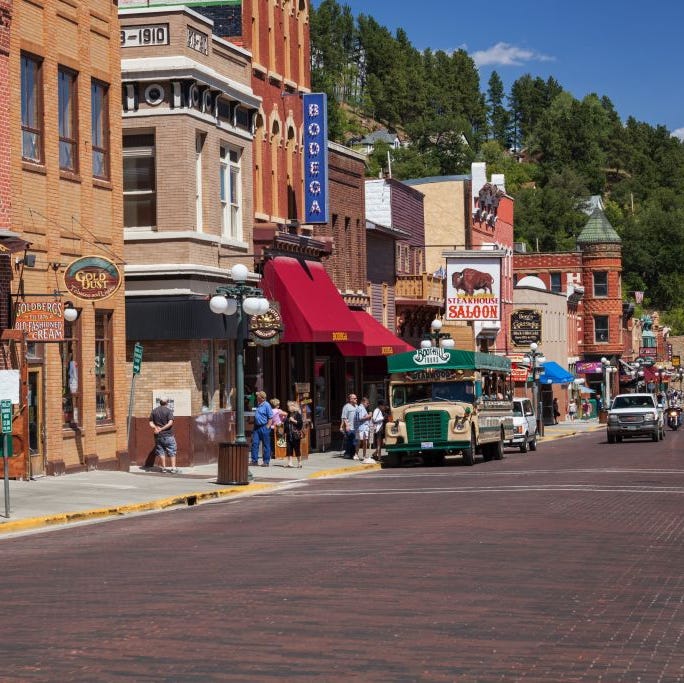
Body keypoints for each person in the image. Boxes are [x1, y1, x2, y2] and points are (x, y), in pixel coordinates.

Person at [149, 398, 179, 473]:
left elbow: (150, 422)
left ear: (160, 403)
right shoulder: (169, 411)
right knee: (172, 450)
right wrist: (162, 429)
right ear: (167, 403)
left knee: (161, 451)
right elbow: (170, 423)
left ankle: (164, 468)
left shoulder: (154, 411)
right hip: (168, 435)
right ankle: (173, 468)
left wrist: (156, 428)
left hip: (158, 436)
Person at [250, 391, 273, 466]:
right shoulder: (258, 404)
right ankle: (254, 460)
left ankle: (266, 461)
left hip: (264, 426)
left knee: (266, 445)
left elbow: (270, 417)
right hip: (256, 427)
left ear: (262, 398)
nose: (257, 398)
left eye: (258, 397)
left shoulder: (267, 405)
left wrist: (268, 427)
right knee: (255, 443)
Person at [284, 400, 304, 468]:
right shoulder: (288, 414)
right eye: (288, 406)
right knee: (289, 449)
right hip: (289, 434)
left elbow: (300, 424)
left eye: (289, 406)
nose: (288, 408)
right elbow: (286, 424)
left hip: (295, 435)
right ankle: (290, 463)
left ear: (294, 407)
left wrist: (293, 420)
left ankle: (299, 463)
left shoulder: (298, 414)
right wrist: (284, 432)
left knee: (297, 449)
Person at [354, 396, 373, 463]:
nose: (368, 405)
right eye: (367, 403)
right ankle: (358, 455)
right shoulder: (361, 408)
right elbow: (361, 418)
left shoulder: (361, 408)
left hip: (362, 427)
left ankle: (362, 455)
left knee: (363, 442)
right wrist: (369, 415)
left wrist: (366, 416)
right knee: (362, 442)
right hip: (361, 428)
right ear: (363, 402)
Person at [340, 393, 358, 459]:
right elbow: (344, 417)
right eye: (354, 398)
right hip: (350, 427)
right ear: (350, 399)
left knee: (355, 441)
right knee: (350, 441)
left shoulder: (357, 406)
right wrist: (347, 426)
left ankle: (352, 454)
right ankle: (347, 453)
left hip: (356, 427)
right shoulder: (346, 406)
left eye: (356, 398)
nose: (356, 399)